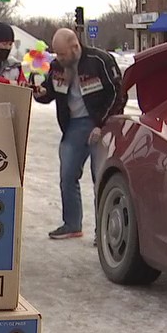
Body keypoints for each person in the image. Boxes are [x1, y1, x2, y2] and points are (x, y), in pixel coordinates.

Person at [33, 27, 124, 240]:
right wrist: (40, 93)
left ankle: (103, 232)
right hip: (74, 125)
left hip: (100, 123)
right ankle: (72, 224)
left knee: (99, 177)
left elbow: (118, 94)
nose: (59, 58)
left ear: (75, 47)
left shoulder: (99, 60)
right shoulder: (57, 67)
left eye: (63, 54)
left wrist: (102, 124)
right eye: (57, 53)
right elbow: (50, 91)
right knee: (67, 175)